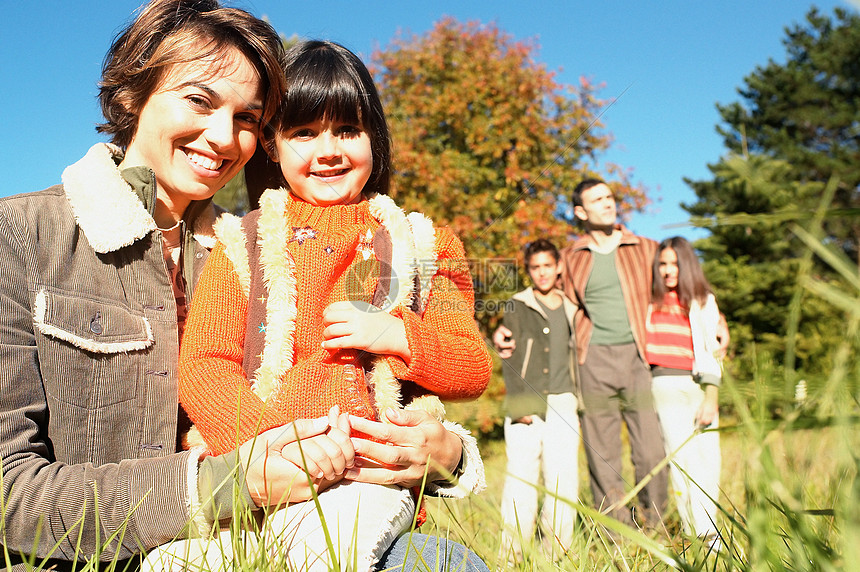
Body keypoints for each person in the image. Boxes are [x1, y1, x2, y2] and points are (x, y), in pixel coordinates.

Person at [0, 3, 489, 571]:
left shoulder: (247, 249)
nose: (222, 135)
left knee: (446, 563)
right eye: (199, 100)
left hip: (297, 520)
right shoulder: (23, 236)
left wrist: (450, 454)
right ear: (134, 92)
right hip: (124, 553)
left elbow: (426, 368)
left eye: (248, 118)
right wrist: (233, 476)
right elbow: (9, 492)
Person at [172, 39, 492, 570]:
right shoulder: (241, 245)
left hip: (373, 481)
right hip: (270, 478)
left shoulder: (426, 246)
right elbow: (205, 365)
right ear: (272, 145)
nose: (329, 150)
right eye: (304, 133)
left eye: (348, 130)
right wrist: (269, 446)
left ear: (375, 139)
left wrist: (397, 334)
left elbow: (472, 368)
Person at [495, 178, 667, 528]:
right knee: (603, 455)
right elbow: (544, 299)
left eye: (609, 197)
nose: (608, 203)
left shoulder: (646, 248)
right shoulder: (573, 257)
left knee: (650, 450)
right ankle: (618, 532)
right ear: (580, 211)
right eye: (597, 199)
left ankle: (655, 525)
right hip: (590, 360)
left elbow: (676, 287)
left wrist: (716, 316)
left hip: (638, 356)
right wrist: (505, 327)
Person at [498, 239, 580, 562]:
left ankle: (555, 556)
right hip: (524, 404)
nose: (542, 273)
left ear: (558, 267)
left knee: (562, 483)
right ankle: (511, 556)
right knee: (520, 481)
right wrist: (519, 406)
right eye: (535, 267)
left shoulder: (573, 309)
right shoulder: (517, 304)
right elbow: (509, 356)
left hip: (563, 402)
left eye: (548, 266)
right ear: (528, 270)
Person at [646, 237, 722, 544]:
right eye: (662, 264)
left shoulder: (703, 300)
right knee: (679, 462)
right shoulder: (650, 301)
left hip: (698, 386)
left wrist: (712, 396)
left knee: (707, 461)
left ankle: (711, 535)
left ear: (686, 264)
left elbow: (713, 350)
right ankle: (694, 535)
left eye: (674, 263)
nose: (668, 270)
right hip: (664, 386)